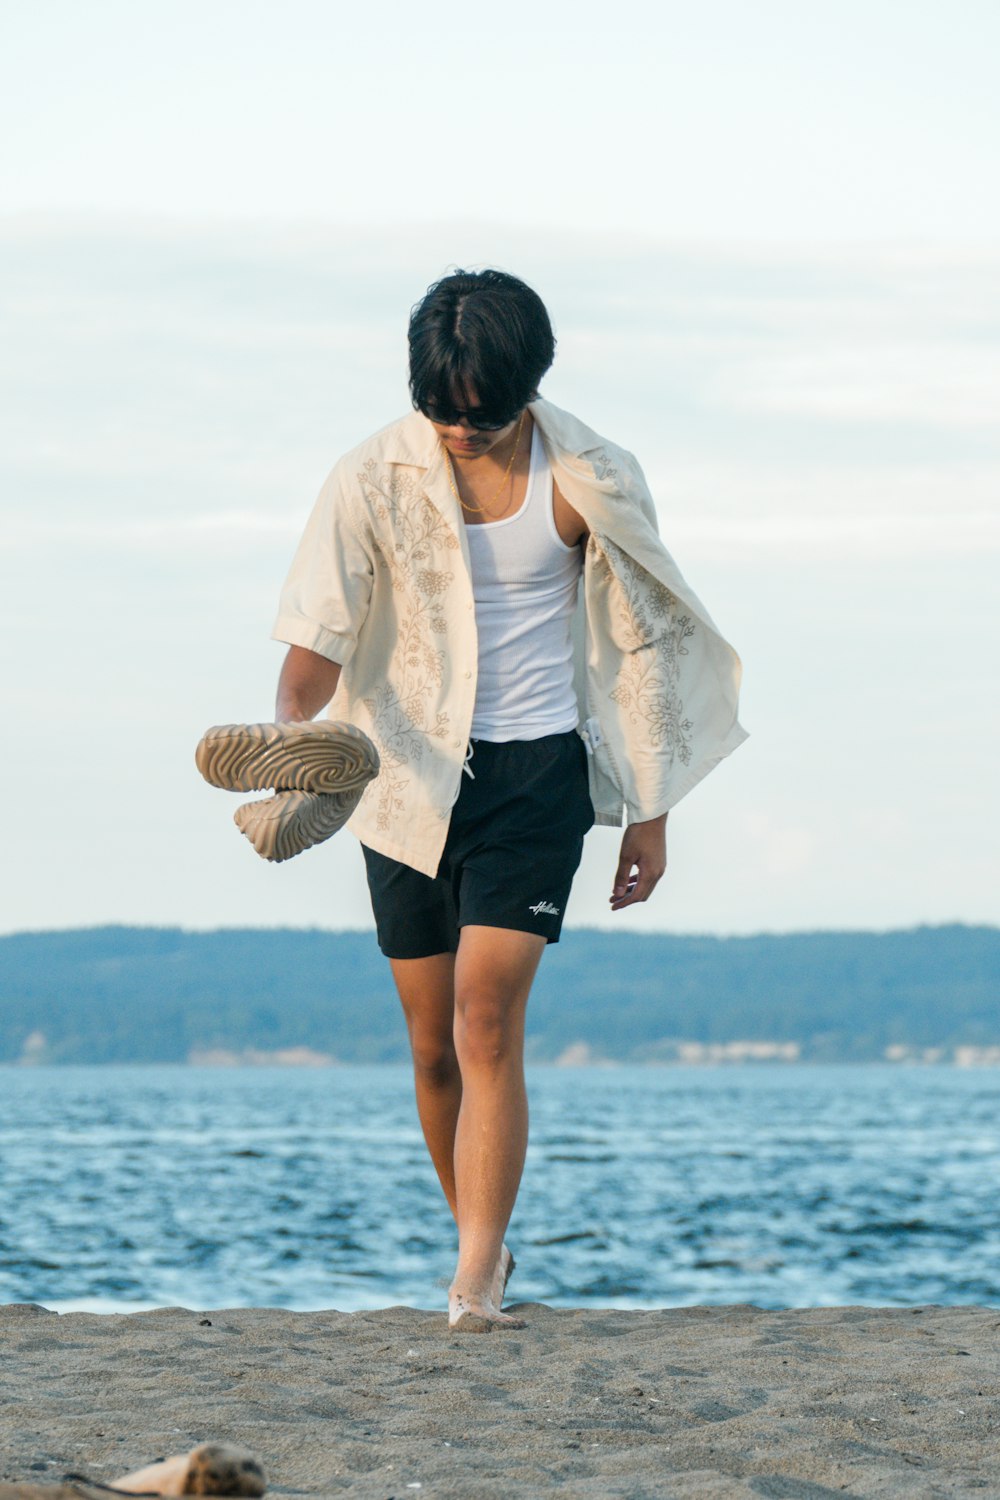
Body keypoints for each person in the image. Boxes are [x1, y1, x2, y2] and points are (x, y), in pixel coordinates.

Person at [271, 268, 747, 1330]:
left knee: (487, 1019)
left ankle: (473, 1277)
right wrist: (289, 739)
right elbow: (318, 632)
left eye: (480, 414)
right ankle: (481, 1239)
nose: (458, 430)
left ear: (527, 387)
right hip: (398, 773)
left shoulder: (590, 478)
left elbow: (648, 651)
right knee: (432, 1041)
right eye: (440, 411)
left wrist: (651, 811)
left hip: (538, 776)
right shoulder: (372, 474)